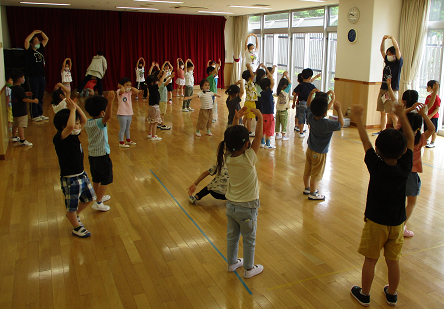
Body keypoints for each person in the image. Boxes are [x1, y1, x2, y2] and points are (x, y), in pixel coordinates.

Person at [350, 102, 414, 307]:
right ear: (403, 151)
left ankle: (365, 294)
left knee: (371, 259)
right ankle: (392, 293)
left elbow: (365, 141)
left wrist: (359, 119)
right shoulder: (405, 165)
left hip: (376, 221)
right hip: (397, 224)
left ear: (378, 150)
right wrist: (401, 115)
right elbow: (411, 138)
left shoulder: (376, 165)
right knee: (393, 261)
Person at [216, 106, 264, 279]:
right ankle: (249, 269)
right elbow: (259, 136)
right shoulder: (248, 158)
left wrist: (236, 119)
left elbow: (232, 136)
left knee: (232, 237)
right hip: (248, 207)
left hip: (231, 206)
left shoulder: (228, 157)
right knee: (249, 239)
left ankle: (231, 263)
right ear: (246, 144)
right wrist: (258, 116)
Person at [53, 99, 96, 238]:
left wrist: (76, 107)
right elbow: (70, 127)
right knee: (71, 205)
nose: (78, 125)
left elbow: (83, 120)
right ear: (62, 126)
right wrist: (71, 111)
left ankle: (73, 215)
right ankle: (76, 227)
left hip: (81, 174)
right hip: (70, 178)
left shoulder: (75, 133)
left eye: (77, 123)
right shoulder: (60, 137)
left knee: (90, 198)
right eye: (75, 122)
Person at [303, 89, 343, 200]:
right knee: (316, 173)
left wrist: (311, 94)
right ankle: (313, 194)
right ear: (326, 112)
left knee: (307, 170)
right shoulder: (327, 124)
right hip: (320, 153)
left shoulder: (311, 118)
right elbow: (341, 124)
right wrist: (339, 110)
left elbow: (308, 106)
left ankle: (307, 188)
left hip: (310, 149)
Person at [84, 92, 115, 211]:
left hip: (92, 155)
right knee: (106, 179)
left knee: (96, 178)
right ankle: (98, 202)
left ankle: (98, 197)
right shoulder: (99, 123)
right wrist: (110, 101)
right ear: (102, 112)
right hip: (102, 155)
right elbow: (108, 117)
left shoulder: (87, 122)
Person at [373, 35, 403, 136]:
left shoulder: (398, 63)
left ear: (395, 55)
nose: (388, 55)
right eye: (388, 54)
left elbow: (397, 49)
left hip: (392, 90)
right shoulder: (387, 61)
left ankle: (397, 132)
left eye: (390, 54)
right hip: (384, 89)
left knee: (393, 114)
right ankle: (382, 131)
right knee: (382, 112)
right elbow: (381, 50)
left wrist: (391, 38)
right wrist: (383, 40)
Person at [24, 29, 49, 121]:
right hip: (33, 76)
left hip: (41, 76)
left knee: (40, 95)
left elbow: (46, 39)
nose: (37, 42)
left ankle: (40, 113)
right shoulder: (29, 51)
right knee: (34, 95)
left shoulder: (40, 49)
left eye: (38, 41)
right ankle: (34, 115)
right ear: (31, 43)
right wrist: (34, 33)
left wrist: (41, 32)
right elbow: (26, 41)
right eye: (35, 41)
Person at [10, 70, 39, 146]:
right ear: (20, 79)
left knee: (15, 123)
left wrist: (25, 93)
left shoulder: (13, 88)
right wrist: (34, 101)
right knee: (21, 124)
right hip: (21, 111)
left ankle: (14, 136)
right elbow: (24, 99)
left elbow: (19, 96)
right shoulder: (20, 89)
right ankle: (22, 140)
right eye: (23, 78)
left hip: (15, 109)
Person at [116, 77, 139, 148]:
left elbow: (137, 91)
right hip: (122, 113)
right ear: (122, 85)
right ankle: (121, 142)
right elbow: (122, 91)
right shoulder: (119, 91)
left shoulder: (129, 92)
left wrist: (130, 87)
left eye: (130, 85)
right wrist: (122, 87)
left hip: (129, 113)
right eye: (127, 85)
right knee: (122, 128)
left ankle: (128, 140)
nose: (128, 87)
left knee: (127, 128)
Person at [259, 68, 276, 149]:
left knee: (263, 128)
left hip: (263, 114)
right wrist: (271, 76)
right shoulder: (268, 92)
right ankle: (268, 144)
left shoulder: (262, 93)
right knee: (269, 128)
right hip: (269, 114)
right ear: (267, 87)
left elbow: (271, 84)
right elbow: (273, 83)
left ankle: (262, 142)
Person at [146, 71, 165, 141]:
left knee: (152, 121)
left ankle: (150, 134)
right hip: (155, 108)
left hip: (151, 107)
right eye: (156, 81)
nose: (157, 82)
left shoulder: (150, 87)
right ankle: (153, 136)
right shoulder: (154, 87)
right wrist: (164, 75)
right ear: (152, 83)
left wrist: (160, 74)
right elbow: (161, 82)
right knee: (155, 122)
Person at [242, 63, 258, 136]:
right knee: (249, 118)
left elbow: (252, 75)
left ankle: (242, 127)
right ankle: (249, 132)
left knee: (245, 116)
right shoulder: (250, 82)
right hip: (250, 103)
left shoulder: (247, 83)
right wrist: (249, 67)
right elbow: (252, 75)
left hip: (247, 102)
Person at [275, 72, 292, 141]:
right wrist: (286, 76)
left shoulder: (279, 90)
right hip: (284, 111)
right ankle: (283, 136)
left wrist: (283, 76)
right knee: (284, 123)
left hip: (278, 110)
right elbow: (290, 83)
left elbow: (280, 83)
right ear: (285, 85)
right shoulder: (286, 91)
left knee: (278, 123)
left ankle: (277, 135)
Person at [425, 81, 440, 148]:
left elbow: (437, 108)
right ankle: (426, 140)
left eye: (428, 86)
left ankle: (432, 142)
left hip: (433, 117)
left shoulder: (436, 97)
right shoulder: (428, 97)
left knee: (434, 130)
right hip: (427, 116)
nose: (427, 88)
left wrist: (431, 115)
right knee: (427, 128)